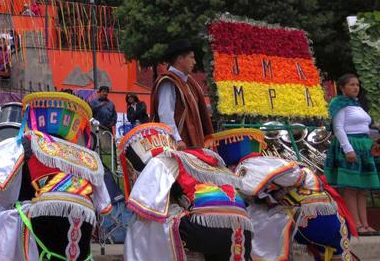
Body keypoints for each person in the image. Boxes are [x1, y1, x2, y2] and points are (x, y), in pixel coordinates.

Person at [0, 92, 111, 260]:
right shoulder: (86, 156)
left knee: (1, 223)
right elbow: (104, 206)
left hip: (39, 222)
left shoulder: (28, 142)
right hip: (83, 226)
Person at [207, 128, 353, 260]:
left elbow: (251, 188)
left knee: (256, 221)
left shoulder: (247, 166)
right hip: (331, 209)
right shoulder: (269, 160)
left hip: (306, 214)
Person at [120, 123, 252, 260]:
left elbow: (144, 205)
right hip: (243, 231)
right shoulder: (210, 161)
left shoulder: (164, 159)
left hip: (206, 230)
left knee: (145, 223)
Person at [324, 73, 380, 235]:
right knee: (351, 187)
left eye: (357, 85)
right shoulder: (339, 104)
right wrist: (348, 149)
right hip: (349, 145)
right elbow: (339, 128)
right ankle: (355, 223)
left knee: (361, 188)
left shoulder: (356, 105)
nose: (356, 87)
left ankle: (365, 223)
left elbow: (363, 127)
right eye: (351, 85)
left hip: (363, 146)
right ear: (342, 88)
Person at [151, 38, 213, 150]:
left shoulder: (189, 82)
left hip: (193, 144)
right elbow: (165, 114)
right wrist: (177, 139)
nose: (194, 62)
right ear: (180, 59)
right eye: (191, 57)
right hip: (179, 146)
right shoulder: (169, 81)